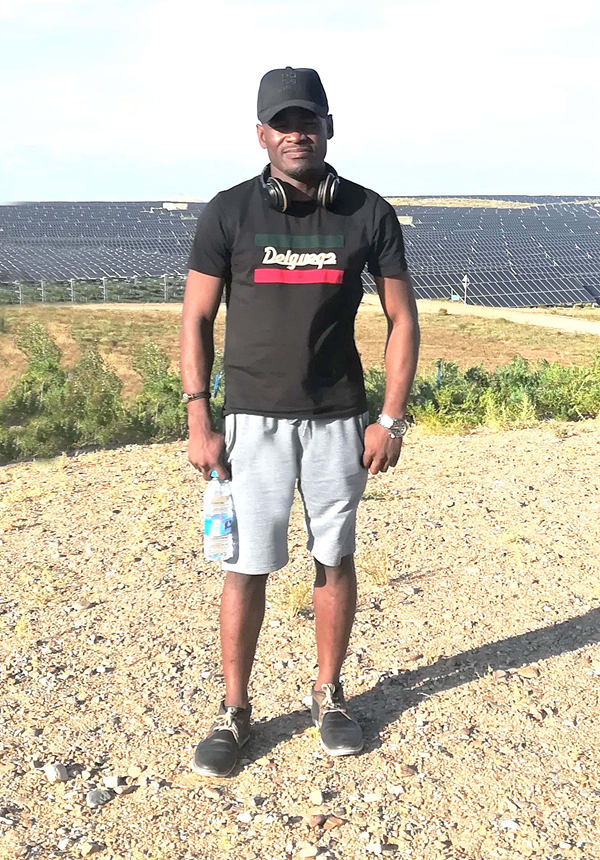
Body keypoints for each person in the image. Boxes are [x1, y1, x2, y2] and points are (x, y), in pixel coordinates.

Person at [180, 66, 420, 778]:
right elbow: (195, 318)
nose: (296, 134)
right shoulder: (228, 212)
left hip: (338, 419)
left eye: (307, 121)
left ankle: (329, 696)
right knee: (244, 567)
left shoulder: (368, 213)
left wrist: (391, 419)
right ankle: (234, 711)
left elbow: (403, 318)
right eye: (282, 124)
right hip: (250, 423)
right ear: (261, 135)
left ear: (328, 128)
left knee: (334, 557)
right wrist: (198, 417)